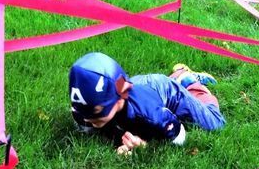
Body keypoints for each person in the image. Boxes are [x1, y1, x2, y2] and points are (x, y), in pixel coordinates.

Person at [69, 52, 225, 154]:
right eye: (82, 110)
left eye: (95, 110)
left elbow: (179, 136)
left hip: (165, 90)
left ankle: (187, 80)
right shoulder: (83, 111)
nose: (87, 118)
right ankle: (177, 76)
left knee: (215, 123)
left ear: (118, 98)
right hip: (138, 85)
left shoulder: (150, 113)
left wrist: (145, 144)